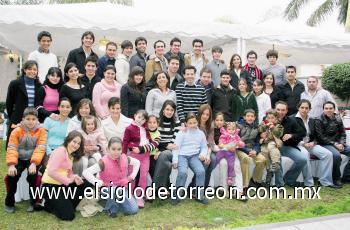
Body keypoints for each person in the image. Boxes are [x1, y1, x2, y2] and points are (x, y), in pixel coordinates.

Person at [82, 137, 140, 218]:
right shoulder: (103, 162)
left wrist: (132, 176)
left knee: (133, 210)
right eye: (113, 149)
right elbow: (86, 172)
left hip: (122, 187)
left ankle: (112, 201)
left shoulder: (125, 158)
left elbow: (137, 162)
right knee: (113, 190)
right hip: (107, 188)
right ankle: (110, 209)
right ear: (108, 149)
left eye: (119, 149)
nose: (116, 152)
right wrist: (98, 183)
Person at [4, 107, 47, 213]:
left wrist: (34, 163)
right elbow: (12, 148)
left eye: (33, 119)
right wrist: (11, 164)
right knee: (11, 177)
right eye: (28, 119)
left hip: (33, 158)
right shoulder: (16, 130)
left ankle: (33, 202)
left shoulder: (42, 131)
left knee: (33, 176)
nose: (31, 121)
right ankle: (9, 202)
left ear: (37, 120)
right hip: (19, 158)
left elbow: (40, 148)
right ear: (23, 119)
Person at [41, 131, 88, 221]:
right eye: (74, 142)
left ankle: (64, 204)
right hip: (50, 187)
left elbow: (69, 173)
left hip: (62, 186)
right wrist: (68, 181)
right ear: (68, 140)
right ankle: (48, 205)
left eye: (78, 143)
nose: (76, 145)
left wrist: (74, 177)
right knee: (69, 216)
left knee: (87, 185)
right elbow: (51, 171)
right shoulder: (60, 151)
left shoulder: (71, 154)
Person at [295, 99, 340, 188]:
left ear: (310, 109)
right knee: (305, 154)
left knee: (328, 154)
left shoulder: (312, 120)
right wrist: (303, 143)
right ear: (298, 108)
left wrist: (314, 142)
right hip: (298, 144)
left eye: (307, 108)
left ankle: (325, 181)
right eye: (302, 108)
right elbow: (292, 136)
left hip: (311, 144)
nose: (304, 110)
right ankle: (308, 183)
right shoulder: (292, 119)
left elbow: (316, 135)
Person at [122, 110, 159, 208]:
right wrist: (123, 155)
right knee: (131, 175)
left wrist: (153, 146)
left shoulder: (145, 128)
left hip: (145, 155)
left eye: (143, 119)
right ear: (135, 116)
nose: (140, 120)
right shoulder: (129, 128)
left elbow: (150, 140)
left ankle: (139, 196)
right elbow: (125, 142)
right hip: (133, 155)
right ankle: (130, 194)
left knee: (143, 175)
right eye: (139, 117)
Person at [172, 113, 208, 205]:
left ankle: (199, 195)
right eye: (190, 123)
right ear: (186, 123)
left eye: (194, 122)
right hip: (182, 156)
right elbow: (176, 147)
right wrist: (175, 160)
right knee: (183, 172)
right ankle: (177, 195)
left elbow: (204, 147)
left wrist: (203, 154)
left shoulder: (201, 133)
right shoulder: (182, 133)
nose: (192, 125)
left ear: (197, 122)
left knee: (201, 171)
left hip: (194, 156)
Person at [6, 60, 41, 148]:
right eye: (29, 69)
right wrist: (13, 116)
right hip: (18, 118)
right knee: (15, 145)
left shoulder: (39, 85)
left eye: (34, 69)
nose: (32, 71)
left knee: (31, 145)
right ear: (24, 70)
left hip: (33, 119)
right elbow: (9, 103)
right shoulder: (15, 84)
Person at [315, 101, 350, 186]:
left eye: (330, 108)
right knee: (336, 156)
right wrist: (335, 144)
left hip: (338, 144)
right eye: (326, 108)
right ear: (323, 109)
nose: (328, 110)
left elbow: (342, 133)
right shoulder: (318, 120)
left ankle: (347, 176)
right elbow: (321, 137)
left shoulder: (338, 118)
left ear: (334, 109)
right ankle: (336, 178)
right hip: (325, 144)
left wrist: (341, 143)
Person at [274, 101, 306, 187]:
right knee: (277, 158)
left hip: (286, 147)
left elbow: (301, 133)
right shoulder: (268, 119)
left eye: (283, 110)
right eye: (278, 109)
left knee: (302, 159)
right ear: (274, 109)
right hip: (272, 147)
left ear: (287, 111)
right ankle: (279, 184)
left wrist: (291, 135)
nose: (280, 112)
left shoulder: (291, 120)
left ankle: (289, 180)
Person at [152, 100, 181, 189]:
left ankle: (154, 188)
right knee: (167, 165)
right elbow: (155, 139)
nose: (169, 112)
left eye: (172, 110)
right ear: (163, 110)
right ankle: (164, 187)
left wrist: (164, 148)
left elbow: (174, 141)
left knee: (165, 154)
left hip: (172, 151)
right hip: (159, 149)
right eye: (167, 109)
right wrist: (162, 148)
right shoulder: (157, 121)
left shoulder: (177, 122)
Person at [236, 109, 265, 193]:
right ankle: (245, 185)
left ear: (255, 117)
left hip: (252, 149)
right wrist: (247, 150)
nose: (250, 118)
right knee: (246, 159)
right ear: (244, 117)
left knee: (262, 160)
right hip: (240, 149)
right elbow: (237, 141)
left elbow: (257, 142)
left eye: (252, 116)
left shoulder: (256, 127)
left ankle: (256, 180)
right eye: (248, 116)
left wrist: (255, 151)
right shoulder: (238, 126)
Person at [258, 109, 284, 185]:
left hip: (273, 143)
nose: (270, 120)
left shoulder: (278, 126)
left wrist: (273, 128)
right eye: (268, 118)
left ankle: (276, 164)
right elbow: (259, 130)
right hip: (264, 144)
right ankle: (269, 170)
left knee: (272, 147)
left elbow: (278, 134)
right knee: (264, 152)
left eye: (272, 118)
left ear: (276, 119)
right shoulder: (264, 124)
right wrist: (265, 126)